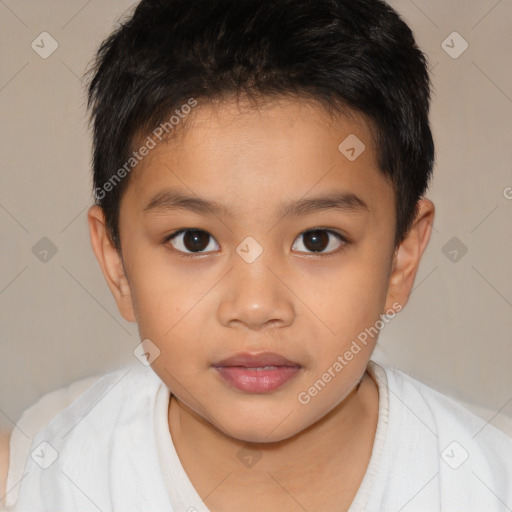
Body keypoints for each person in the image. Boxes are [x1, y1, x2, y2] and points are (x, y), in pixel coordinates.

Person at [2, 0, 512, 510]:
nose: (255, 306)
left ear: (402, 257)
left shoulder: (488, 481)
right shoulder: (37, 478)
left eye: (317, 239)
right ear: (116, 263)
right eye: (194, 240)